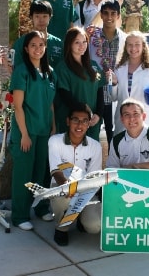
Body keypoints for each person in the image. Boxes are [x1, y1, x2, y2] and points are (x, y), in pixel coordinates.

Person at [9, 31, 57, 230]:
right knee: (23, 173)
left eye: (41, 45)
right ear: (26, 49)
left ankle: (41, 207)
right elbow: (17, 107)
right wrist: (25, 134)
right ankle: (20, 215)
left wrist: (53, 128)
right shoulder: (21, 72)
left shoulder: (49, 72)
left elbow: (51, 104)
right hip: (26, 132)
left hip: (45, 130)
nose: (38, 49)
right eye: (33, 45)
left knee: (42, 171)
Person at [49, 103, 102, 246]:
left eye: (84, 121)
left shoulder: (95, 146)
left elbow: (94, 177)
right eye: (75, 120)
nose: (80, 125)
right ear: (67, 121)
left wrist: (80, 191)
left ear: (89, 123)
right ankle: (62, 228)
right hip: (62, 186)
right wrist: (68, 186)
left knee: (94, 225)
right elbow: (55, 170)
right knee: (64, 196)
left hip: (85, 190)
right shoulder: (55, 141)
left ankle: (80, 218)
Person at [54, 26, 105, 141]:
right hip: (72, 123)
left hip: (92, 123)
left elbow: (100, 90)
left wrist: (98, 114)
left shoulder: (93, 66)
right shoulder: (63, 68)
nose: (82, 46)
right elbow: (64, 95)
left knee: (90, 156)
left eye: (84, 42)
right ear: (69, 44)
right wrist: (83, 108)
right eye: (77, 42)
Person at [88, 0, 127, 146]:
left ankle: (112, 164)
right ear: (101, 15)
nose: (109, 17)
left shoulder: (124, 38)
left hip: (114, 91)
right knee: (93, 130)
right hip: (96, 91)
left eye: (113, 13)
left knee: (113, 132)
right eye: (105, 13)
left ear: (118, 16)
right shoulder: (92, 36)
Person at [106, 98, 149, 170]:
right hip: (126, 181)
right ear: (122, 119)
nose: (131, 118)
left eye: (136, 114)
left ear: (144, 116)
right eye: (127, 115)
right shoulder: (116, 141)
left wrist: (135, 167)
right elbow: (111, 171)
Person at [13, 0, 63, 68]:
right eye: (37, 16)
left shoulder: (58, 43)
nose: (41, 20)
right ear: (31, 17)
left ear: (50, 17)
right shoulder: (20, 43)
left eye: (44, 16)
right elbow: (16, 69)